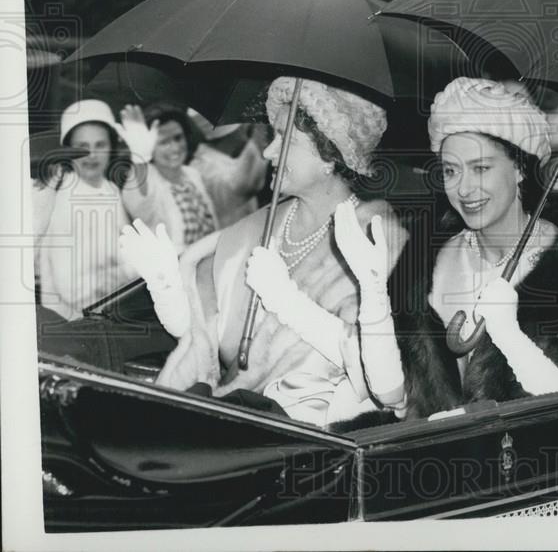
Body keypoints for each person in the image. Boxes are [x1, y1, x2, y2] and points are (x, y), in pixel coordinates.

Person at [334, 78, 558, 413]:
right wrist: (373, 296)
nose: (464, 188)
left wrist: (509, 336)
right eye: (451, 171)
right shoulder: (424, 261)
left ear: (519, 168)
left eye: (481, 168)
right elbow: (393, 398)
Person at [119, 76, 412, 428]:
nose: (269, 151)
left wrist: (287, 300)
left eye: (286, 139)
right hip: (233, 417)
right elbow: (202, 341)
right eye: (272, 136)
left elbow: (377, 378)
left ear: (330, 156)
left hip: (314, 442)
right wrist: (165, 285)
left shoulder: (377, 240)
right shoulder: (256, 228)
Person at [33, 99, 140, 320]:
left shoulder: (109, 189)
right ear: (67, 150)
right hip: (74, 325)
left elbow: (128, 252)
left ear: (112, 146)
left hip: (111, 314)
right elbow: (73, 288)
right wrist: (131, 272)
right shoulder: (62, 197)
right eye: (82, 147)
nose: (92, 155)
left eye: (100, 145)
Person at [121, 103, 219, 251]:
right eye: (164, 142)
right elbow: (140, 200)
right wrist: (140, 157)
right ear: (149, 145)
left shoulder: (192, 174)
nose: (174, 147)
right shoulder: (145, 180)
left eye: (178, 138)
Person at [187, 111, 269, 229]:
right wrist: (258, 136)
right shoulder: (201, 168)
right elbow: (243, 187)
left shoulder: (228, 158)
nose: (246, 128)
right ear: (235, 132)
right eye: (243, 126)